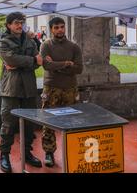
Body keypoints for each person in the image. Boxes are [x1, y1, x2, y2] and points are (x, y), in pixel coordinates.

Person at [0, 12, 42, 172]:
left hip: (29, 88)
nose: (19, 25)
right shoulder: (3, 42)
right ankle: (4, 155)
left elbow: (39, 63)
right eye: (16, 23)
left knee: (29, 124)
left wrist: (25, 62)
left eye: (21, 23)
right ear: (8, 25)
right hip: (11, 88)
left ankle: (27, 153)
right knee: (8, 123)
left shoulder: (30, 41)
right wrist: (31, 60)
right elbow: (11, 59)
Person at [40, 17, 83, 167]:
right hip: (51, 88)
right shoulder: (46, 45)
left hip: (70, 88)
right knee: (48, 121)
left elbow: (79, 69)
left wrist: (56, 66)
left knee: (72, 120)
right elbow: (46, 66)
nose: (60, 30)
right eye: (56, 27)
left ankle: (71, 150)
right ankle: (49, 153)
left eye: (62, 27)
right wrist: (66, 64)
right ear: (51, 29)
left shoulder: (74, 47)